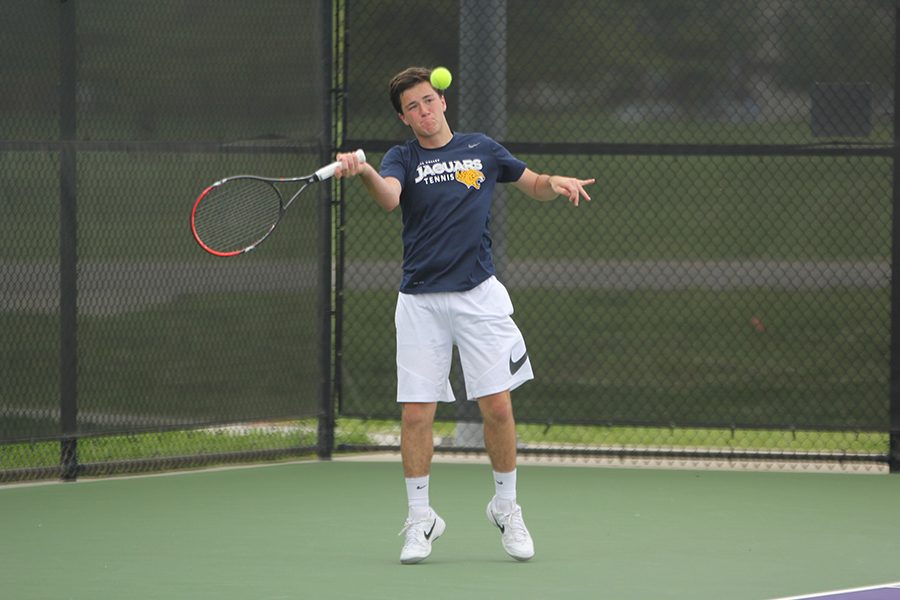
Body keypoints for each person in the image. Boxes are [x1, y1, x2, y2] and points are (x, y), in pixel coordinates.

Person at [334, 66, 594, 564]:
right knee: (417, 414)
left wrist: (555, 182)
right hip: (420, 303)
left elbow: (532, 182)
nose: (424, 110)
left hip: (479, 297)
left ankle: (506, 506)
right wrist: (363, 170)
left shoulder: (481, 148)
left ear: (442, 102)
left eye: (429, 100)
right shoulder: (401, 158)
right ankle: (421, 519)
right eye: (413, 106)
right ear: (404, 118)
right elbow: (389, 198)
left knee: (497, 407)